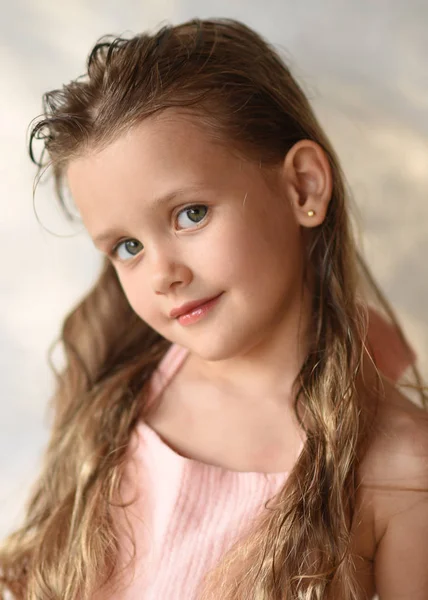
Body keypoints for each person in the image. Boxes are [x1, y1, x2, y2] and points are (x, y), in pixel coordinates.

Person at [1, 17, 427, 600]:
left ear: (302, 187)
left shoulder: (403, 469)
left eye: (190, 214)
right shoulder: (106, 400)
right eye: (128, 247)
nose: (163, 274)